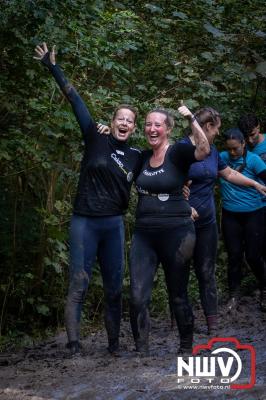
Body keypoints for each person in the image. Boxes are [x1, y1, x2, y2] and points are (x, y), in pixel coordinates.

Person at [34, 43, 142, 355]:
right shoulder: (95, 136)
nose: (123, 123)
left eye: (129, 120)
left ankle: (113, 345)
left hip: (114, 225)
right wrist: (52, 66)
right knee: (79, 284)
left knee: (113, 289)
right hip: (85, 222)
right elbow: (75, 100)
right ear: (113, 120)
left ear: (134, 127)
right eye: (119, 118)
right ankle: (74, 346)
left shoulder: (137, 155)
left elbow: (165, 169)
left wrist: (187, 185)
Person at [129, 106, 211, 355]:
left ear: (168, 129)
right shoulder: (142, 157)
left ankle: (186, 347)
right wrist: (103, 132)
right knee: (137, 296)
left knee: (178, 294)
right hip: (144, 234)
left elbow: (204, 149)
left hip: (177, 233)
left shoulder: (177, 152)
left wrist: (191, 118)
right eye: (148, 124)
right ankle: (141, 350)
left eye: (158, 125)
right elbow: (114, 155)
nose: (152, 129)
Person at [180, 108, 266, 335]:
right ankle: (184, 319)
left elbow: (228, 174)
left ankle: (213, 323)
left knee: (211, 269)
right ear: (207, 127)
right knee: (184, 270)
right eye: (216, 128)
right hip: (189, 220)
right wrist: (181, 199)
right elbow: (170, 180)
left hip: (220, 218)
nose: (218, 133)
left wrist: (256, 185)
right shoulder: (182, 149)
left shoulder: (216, 154)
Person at [220, 128, 266, 311]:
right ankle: (233, 295)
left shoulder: (254, 160)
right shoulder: (221, 158)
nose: (232, 153)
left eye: (235, 149)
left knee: (254, 255)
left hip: (254, 213)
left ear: (243, 144)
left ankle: (264, 287)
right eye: (229, 149)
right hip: (230, 214)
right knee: (234, 256)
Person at [238, 114, 266, 263]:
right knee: (256, 249)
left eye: (252, 135)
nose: (249, 140)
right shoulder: (241, 148)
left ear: (258, 127)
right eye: (246, 137)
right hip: (253, 206)